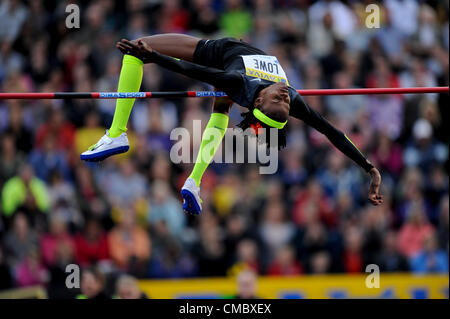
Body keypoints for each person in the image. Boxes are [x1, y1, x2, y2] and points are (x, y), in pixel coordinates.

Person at [80, 34, 383, 215]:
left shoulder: (236, 81)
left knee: (136, 49)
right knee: (220, 111)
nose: (284, 97)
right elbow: (333, 132)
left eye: (279, 101)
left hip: (219, 53)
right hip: (230, 63)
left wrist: (153, 56)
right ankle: (193, 181)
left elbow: (191, 68)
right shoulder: (292, 95)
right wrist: (369, 167)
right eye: (285, 103)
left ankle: (117, 133)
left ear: (260, 103)